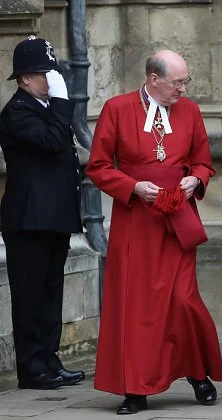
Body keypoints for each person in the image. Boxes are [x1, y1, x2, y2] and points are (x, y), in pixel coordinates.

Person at [86, 50, 222, 415]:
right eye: (177, 82)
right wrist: (131, 187)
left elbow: (203, 160)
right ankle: (136, 387)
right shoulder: (117, 109)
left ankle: (197, 372)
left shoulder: (190, 111)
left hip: (178, 217)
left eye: (185, 81)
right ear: (153, 79)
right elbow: (98, 166)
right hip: (136, 221)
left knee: (183, 301)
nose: (183, 88)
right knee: (137, 308)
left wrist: (197, 177)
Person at [0, 35, 85, 390]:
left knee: (51, 296)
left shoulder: (47, 110)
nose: (51, 80)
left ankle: (49, 359)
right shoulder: (17, 112)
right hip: (29, 221)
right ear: (25, 79)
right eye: (44, 74)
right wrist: (64, 103)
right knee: (30, 297)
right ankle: (32, 368)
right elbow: (51, 144)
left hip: (53, 219)